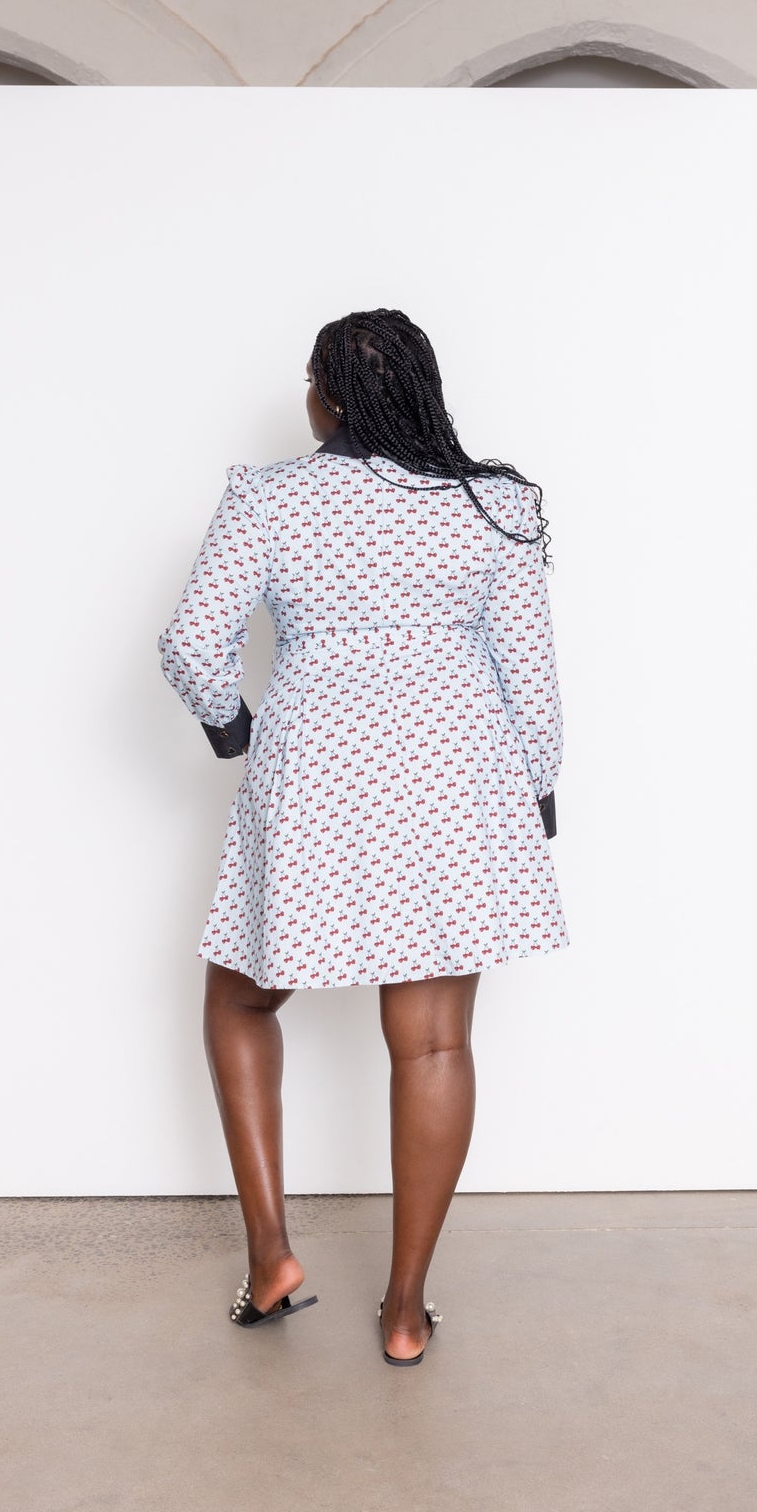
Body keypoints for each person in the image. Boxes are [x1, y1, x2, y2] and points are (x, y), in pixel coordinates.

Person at [156, 308, 568, 1364]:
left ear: (329, 397)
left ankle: (271, 1257)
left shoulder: (271, 497)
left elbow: (194, 643)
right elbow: (530, 673)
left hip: (315, 780)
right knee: (430, 1040)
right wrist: (537, 791)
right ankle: (402, 1309)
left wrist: (233, 728)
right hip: (455, 776)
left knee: (238, 996)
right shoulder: (494, 503)